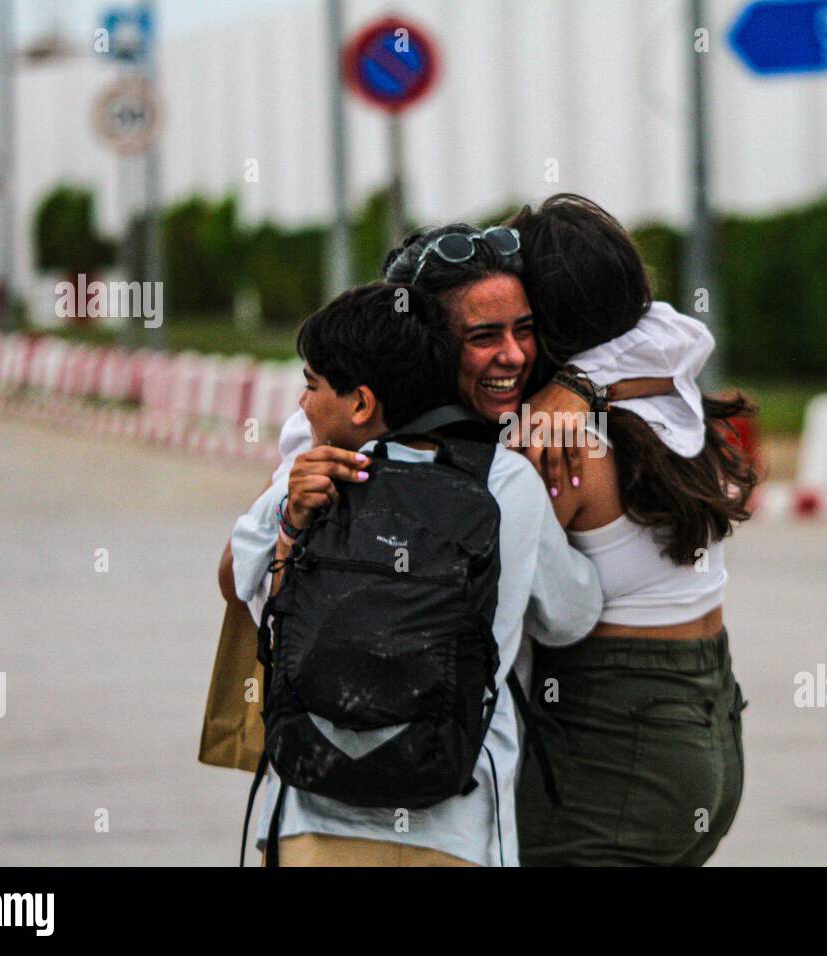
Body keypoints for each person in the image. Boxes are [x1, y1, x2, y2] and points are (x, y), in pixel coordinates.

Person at [239, 280, 603, 866]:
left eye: (310, 387)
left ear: (360, 403)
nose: (303, 406)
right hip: (453, 828)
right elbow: (570, 617)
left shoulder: (310, 479)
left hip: (312, 821)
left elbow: (247, 591)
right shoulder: (506, 483)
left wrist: (289, 521)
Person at [507, 194, 758, 866]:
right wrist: (584, 382)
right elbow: (675, 328)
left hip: (615, 745)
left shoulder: (559, 442)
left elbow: (493, 593)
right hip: (706, 727)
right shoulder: (672, 397)